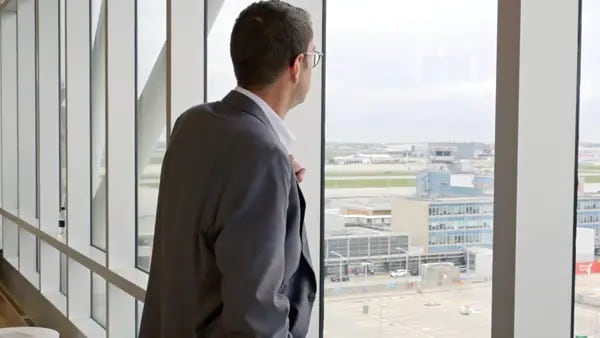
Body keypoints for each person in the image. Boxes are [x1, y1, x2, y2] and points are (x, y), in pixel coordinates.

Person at [139, 1, 322, 337]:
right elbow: (255, 316)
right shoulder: (260, 155)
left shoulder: (193, 122)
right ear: (297, 66)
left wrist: (277, 171)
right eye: (314, 58)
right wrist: (271, 166)